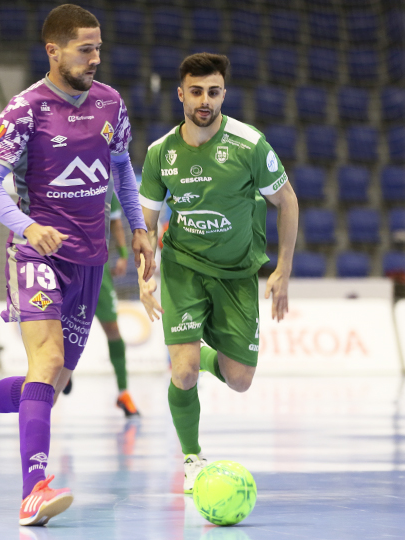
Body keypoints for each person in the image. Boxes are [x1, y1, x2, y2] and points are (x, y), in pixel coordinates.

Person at [0, 4, 154, 526]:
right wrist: (27, 226)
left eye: (99, 48)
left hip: (91, 259)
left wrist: (138, 228)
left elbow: (123, 172)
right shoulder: (24, 110)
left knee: (44, 387)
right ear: (53, 50)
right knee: (46, 366)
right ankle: (33, 491)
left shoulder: (111, 103)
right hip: (37, 254)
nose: (96, 58)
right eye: (85, 49)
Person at [136, 53, 299, 494]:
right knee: (183, 371)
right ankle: (191, 458)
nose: (204, 100)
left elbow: (287, 202)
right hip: (184, 268)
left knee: (240, 381)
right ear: (181, 94)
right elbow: (145, 223)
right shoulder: (160, 153)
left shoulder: (250, 145)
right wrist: (144, 275)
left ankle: (199, 354)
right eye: (195, 91)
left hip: (237, 273)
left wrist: (282, 269)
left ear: (223, 93)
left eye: (213, 91)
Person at [62, 194, 141, 417]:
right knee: (61, 327)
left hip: (99, 270)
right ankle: (62, 373)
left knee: (113, 330)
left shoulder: (106, 184)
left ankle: (123, 393)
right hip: (68, 266)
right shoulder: (64, 179)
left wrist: (124, 255)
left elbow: (115, 221)